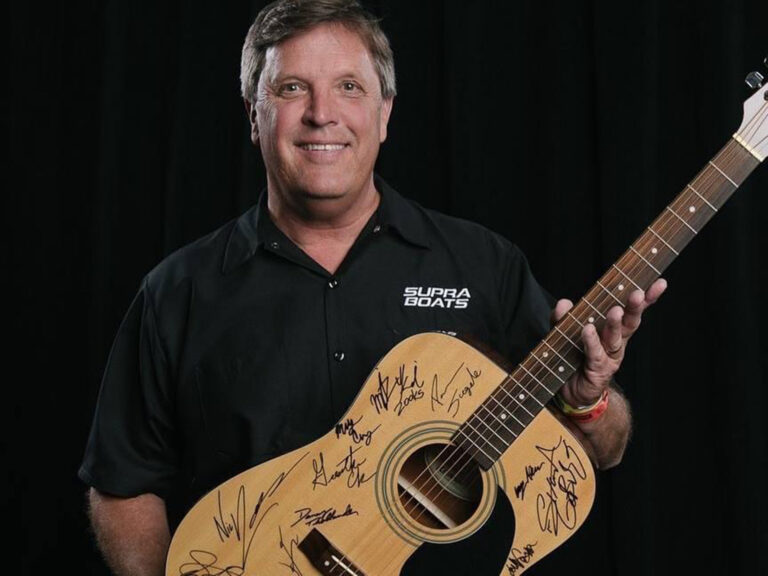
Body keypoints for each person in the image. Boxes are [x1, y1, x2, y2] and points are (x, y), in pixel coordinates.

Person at [79, 1, 666, 574]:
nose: (321, 114)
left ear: (385, 113)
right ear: (253, 113)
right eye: (291, 89)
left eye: (349, 88)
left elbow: (599, 450)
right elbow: (124, 484)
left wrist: (588, 400)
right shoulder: (179, 291)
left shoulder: (482, 264)